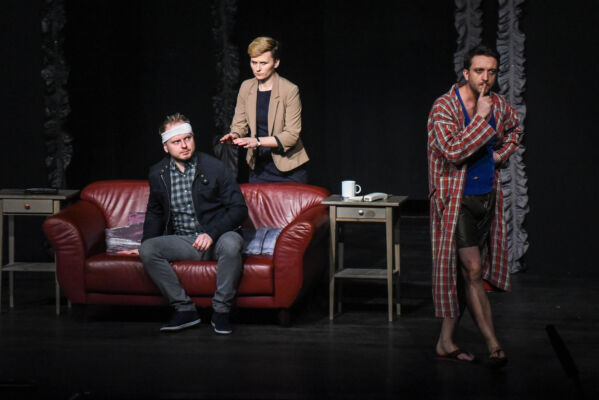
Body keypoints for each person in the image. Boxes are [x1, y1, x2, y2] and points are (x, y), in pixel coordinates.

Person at [427, 45, 523, 366]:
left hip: (487, 198)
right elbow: (454, 152)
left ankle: (445, 341)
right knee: (473, 270)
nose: (486, 78)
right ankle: (493, 344)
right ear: (466, 73)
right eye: (479, 71)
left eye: (491, 72)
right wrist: (481, 119)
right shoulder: (444, 107)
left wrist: (500, 155)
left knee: (465, 274)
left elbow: (516, 129)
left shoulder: (498, 105)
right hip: (456, 201)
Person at [122, 113, 248, 335]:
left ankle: (221, 311)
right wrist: (144, 244)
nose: (184, 145)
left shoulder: (215, 167)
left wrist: (211, 233)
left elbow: (239, 209)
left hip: (218, 237)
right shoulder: (158, 173)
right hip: (185, 241)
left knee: (232, 244)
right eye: (176, 141)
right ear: (166, 147)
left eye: (187, 138)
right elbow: (155, 213)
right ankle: (185, 310)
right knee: (148, 249)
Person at [220, 36, 309, 183]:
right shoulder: (246, 87)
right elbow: (239, 123)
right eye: (254, 62)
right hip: (259, 167)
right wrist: (235, 135)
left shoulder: (289, 90)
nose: (257, 68)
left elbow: (292, 135)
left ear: (276, 63)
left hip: (289, 168)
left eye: (263, 63)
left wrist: (258, 142)